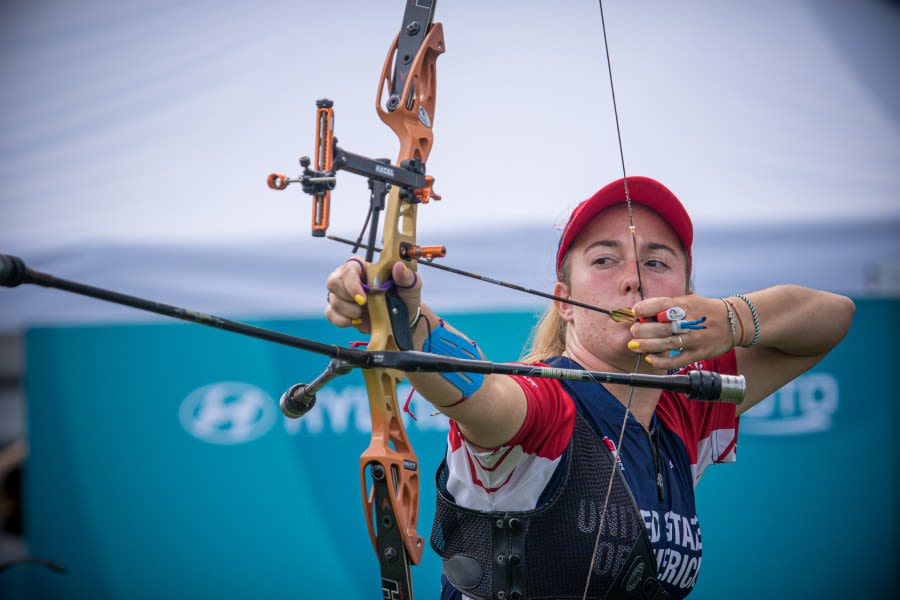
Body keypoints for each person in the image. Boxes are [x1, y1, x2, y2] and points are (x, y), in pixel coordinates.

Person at [324, 176, 855, 600]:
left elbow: (832, 319)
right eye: (605, 260)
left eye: (657, 261)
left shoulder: (683, 411)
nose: (635, 279)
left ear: (688, 295)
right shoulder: (547, 407)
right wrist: (404, 319)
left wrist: (731, 318)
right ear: (563, 300)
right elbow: (483, 393)